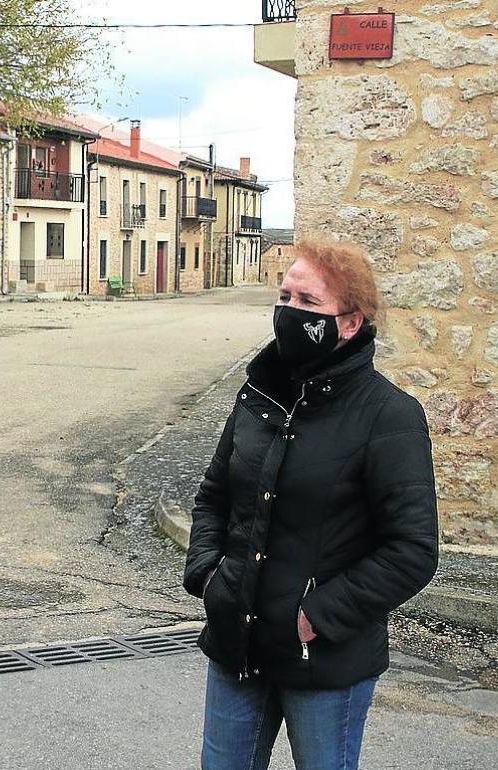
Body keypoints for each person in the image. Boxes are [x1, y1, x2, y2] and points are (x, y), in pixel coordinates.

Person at [184, 238, 439, 770]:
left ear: (350, 323)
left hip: (323, 659)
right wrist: (211, 580)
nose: (290, 312)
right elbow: (213, 498)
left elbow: (412, 549)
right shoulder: (258, 397)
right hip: (239, 646)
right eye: (286, 296)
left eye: (309, 302)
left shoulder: (388, 415)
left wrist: (314, 617)